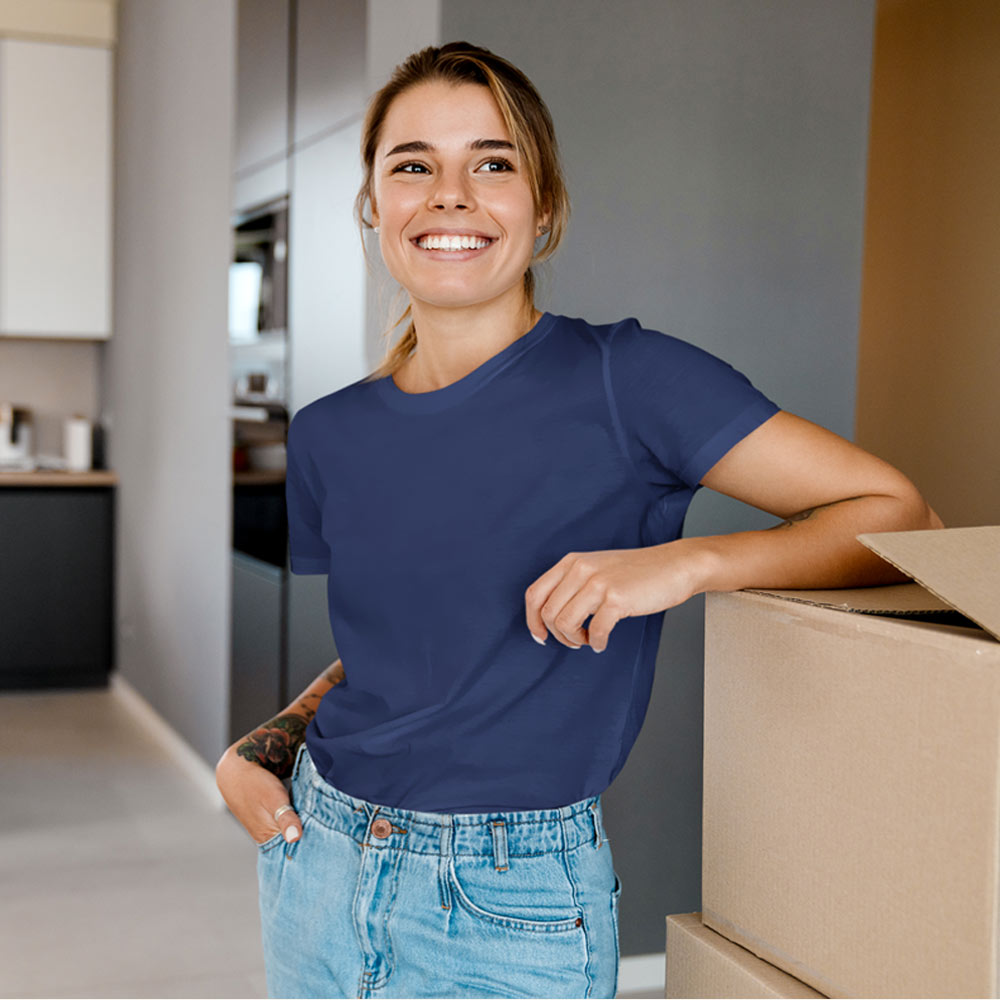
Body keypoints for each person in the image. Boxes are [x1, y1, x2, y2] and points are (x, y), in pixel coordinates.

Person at [215, 41, 942, 1000]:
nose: (450, 194)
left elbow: (904, 518)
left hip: (509, 901)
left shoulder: (630, 381)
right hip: (318, 864)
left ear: (544, 206)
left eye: (492, 161)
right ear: (375, 207)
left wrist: (683, 564)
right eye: (412, 166)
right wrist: (261, 746)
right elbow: (401, 655)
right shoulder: (329, 434)